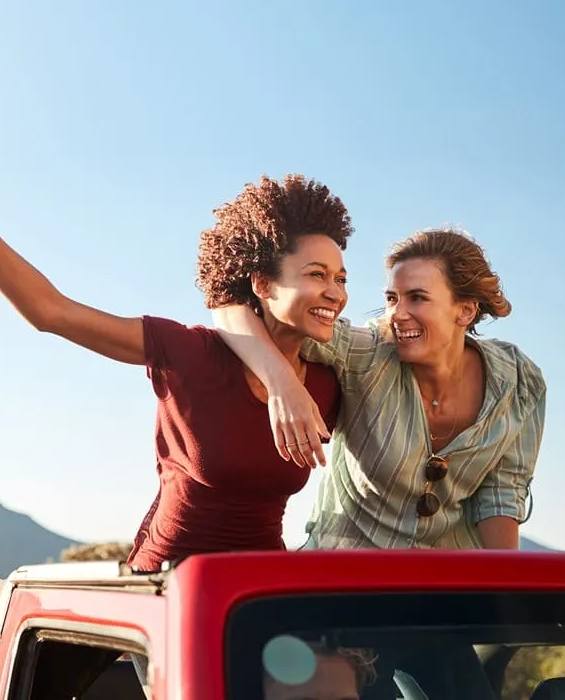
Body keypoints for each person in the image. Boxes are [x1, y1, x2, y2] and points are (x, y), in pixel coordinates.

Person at [0, 157, 351, 569]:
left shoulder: (330, 384)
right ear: (263, 285)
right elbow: (52, 312)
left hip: (255, 589)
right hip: (166, 587)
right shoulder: (190, 354)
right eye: (317, 275)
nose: (336, 292)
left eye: (341, 278)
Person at [212, 228, 546, 550]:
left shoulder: (518, 381)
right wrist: (282, 384)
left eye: (417, 298)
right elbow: (228, 306)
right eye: (391, 298)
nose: (397, 314)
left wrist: (502, 595)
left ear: (466, 310)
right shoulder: (368, 351)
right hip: (341, 576)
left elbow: (502, 494)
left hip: (444, 586)